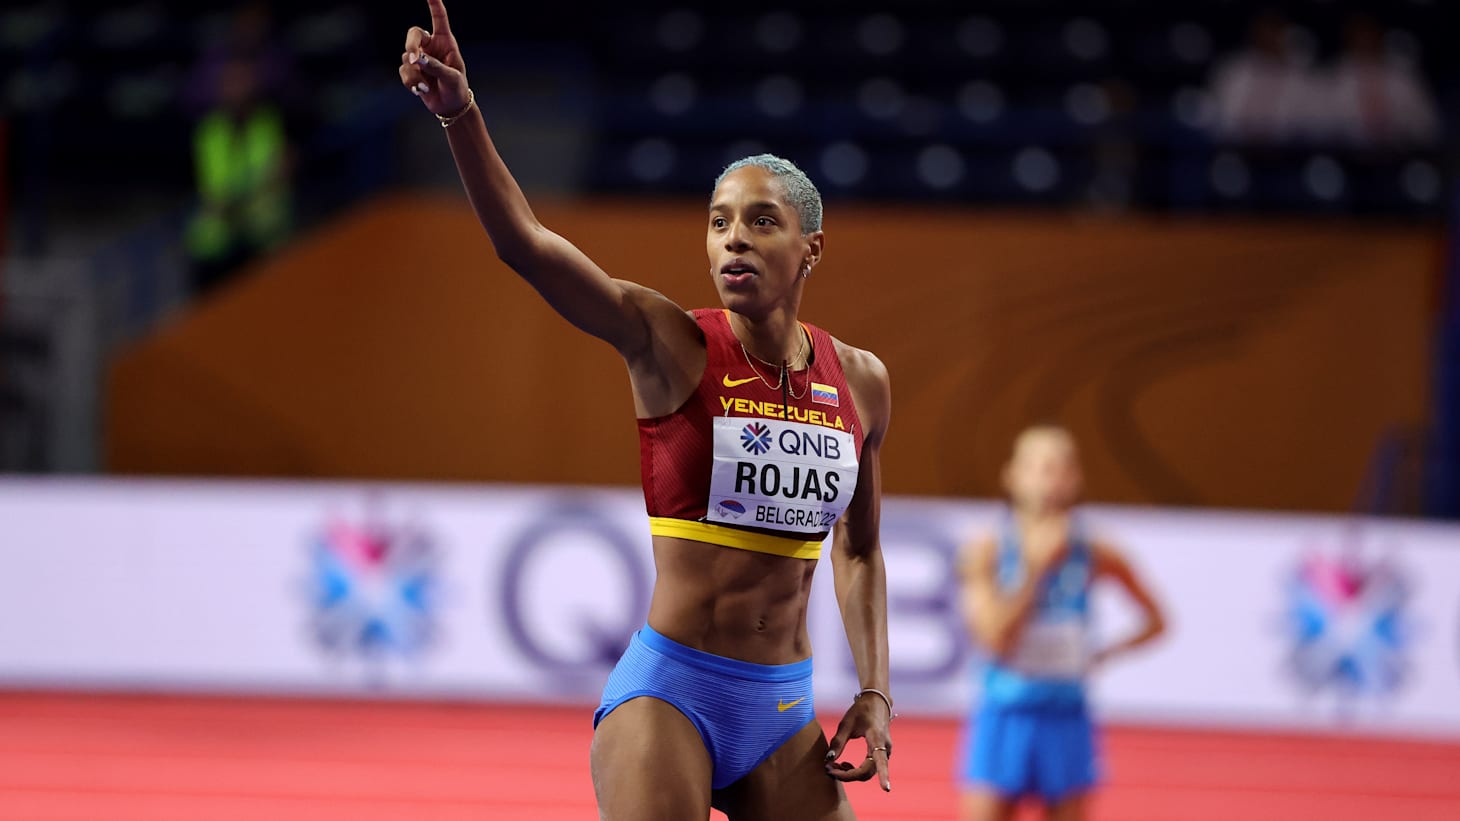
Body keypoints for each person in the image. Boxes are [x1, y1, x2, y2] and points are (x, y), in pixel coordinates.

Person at [398, 2, 894, 819]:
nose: (734, 238)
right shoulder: (670, 343)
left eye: (761, 221)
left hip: (783, 710)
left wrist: (874, 687)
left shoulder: (863, 381)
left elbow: (862, 547)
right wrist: (461, 114)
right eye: (719, 221)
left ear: (811, 247)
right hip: (672, 696)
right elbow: (524, 242)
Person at [956, 426, 1166, 821]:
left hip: (1067, 716)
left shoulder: (1096, 550)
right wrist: (1035, 570)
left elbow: (1158, 620)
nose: (1050, 482)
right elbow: (992, 638)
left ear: (1076, 480)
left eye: (1062, 470)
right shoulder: (986, 549)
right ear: (1013, 477)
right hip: (1005, 713)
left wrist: (1104, 654)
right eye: (1040, 469)